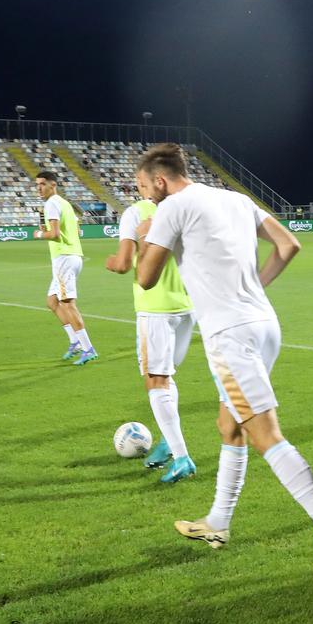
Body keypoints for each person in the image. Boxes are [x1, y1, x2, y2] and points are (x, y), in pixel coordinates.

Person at [133, 143, 313, 580]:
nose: (145, 195)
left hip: (229, 336)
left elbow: (145, 277)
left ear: (161, 180)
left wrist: (146, 237)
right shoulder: (234, 198)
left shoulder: (172, 208)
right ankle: (218, 523)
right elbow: (288, 245)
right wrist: (255, 288)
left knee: (264, 435)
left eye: (143, 187)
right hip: (264, 325)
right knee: (229, 425)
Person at [105, 192, 198, 484]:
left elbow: (122, 264)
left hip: (155, 309)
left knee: (155, 381)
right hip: (186, 306)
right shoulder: (187, 209)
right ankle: (169, 442)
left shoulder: (136, 213)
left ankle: (181, 456)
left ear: (146, 182)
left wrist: (111, 262)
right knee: (166, 377)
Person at [33, 170, 96, 365]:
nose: (39, 189)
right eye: (37, 185)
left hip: (64, 258)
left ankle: (88, 348)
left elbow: (55, 234)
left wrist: (39, 234)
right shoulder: (64, 203)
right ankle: (75, 341)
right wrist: (49, 231)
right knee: (52, 301)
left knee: (68, 304)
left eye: (42, 184)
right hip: (73, 256)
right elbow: (76, 230)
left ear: (53, 184)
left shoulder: (51, 203)